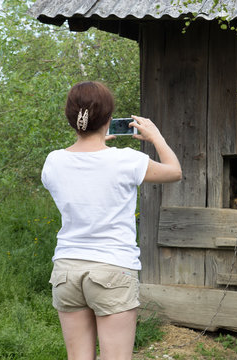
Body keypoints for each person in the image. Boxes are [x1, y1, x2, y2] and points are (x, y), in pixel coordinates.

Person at [41, 81, 181, 360]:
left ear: (73, 119)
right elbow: (174, 171)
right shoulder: (126, 160)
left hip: (67, 269)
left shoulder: (53, 161)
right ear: (108, 119)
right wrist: (156, 138)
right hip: (113, 269)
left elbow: (84, 176)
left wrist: (97, 143)